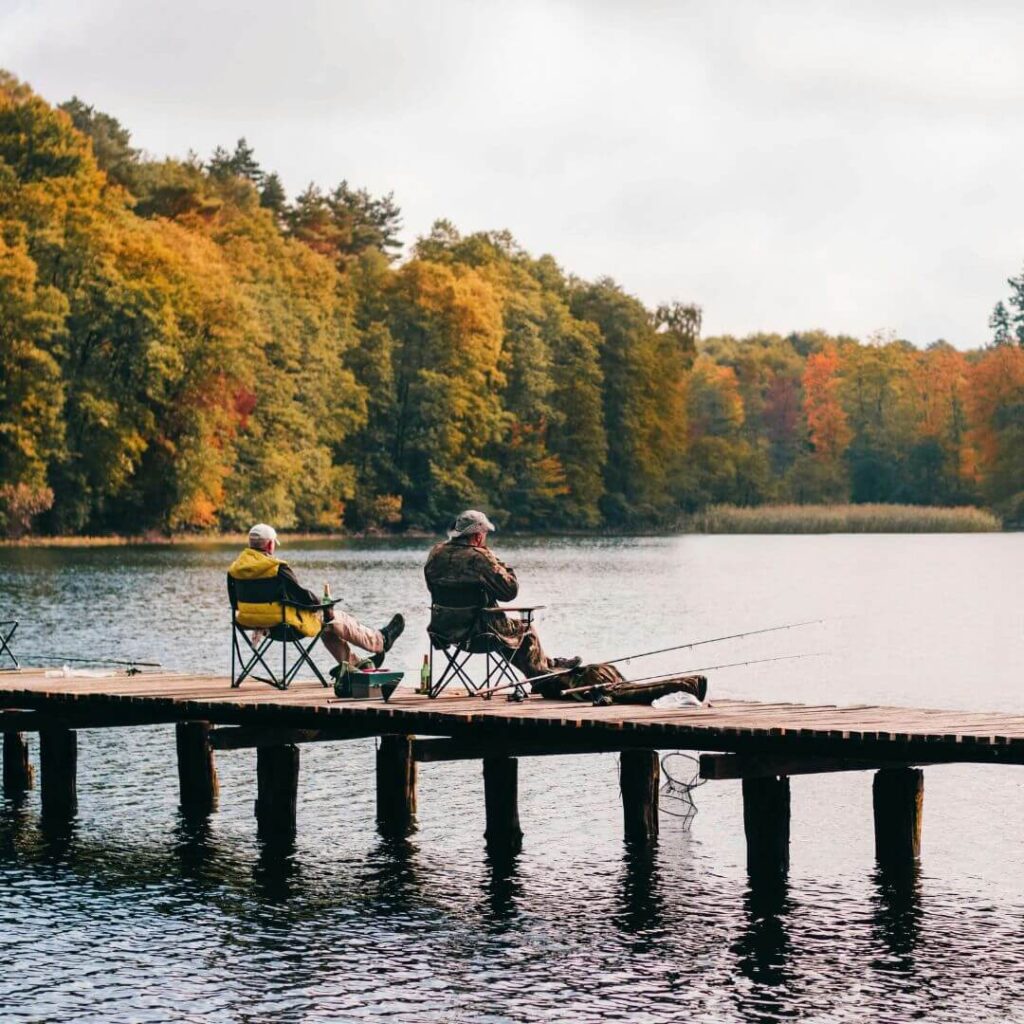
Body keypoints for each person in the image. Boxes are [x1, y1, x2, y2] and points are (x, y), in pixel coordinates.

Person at [423, 509, 579, 679]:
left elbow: (432, 586)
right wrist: (495, 559)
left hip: (443, 629)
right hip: (476, 632)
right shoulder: (480, 558)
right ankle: (542, 677)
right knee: (524, 629)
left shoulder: (436, 553)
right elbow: (510, 591)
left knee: (504, 631)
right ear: (478, 536)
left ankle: (549, 666)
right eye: (485, 533)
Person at [228, 523, 404, 669]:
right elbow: (303, 597)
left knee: (327, 624)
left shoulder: (235, 570)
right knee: (333, 618)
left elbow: (234, 604)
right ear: (269, 545)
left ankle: (356, 665)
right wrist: (320, 603)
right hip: (285, 626)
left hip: (252, 624)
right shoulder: (276, 568)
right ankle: (380, 640)